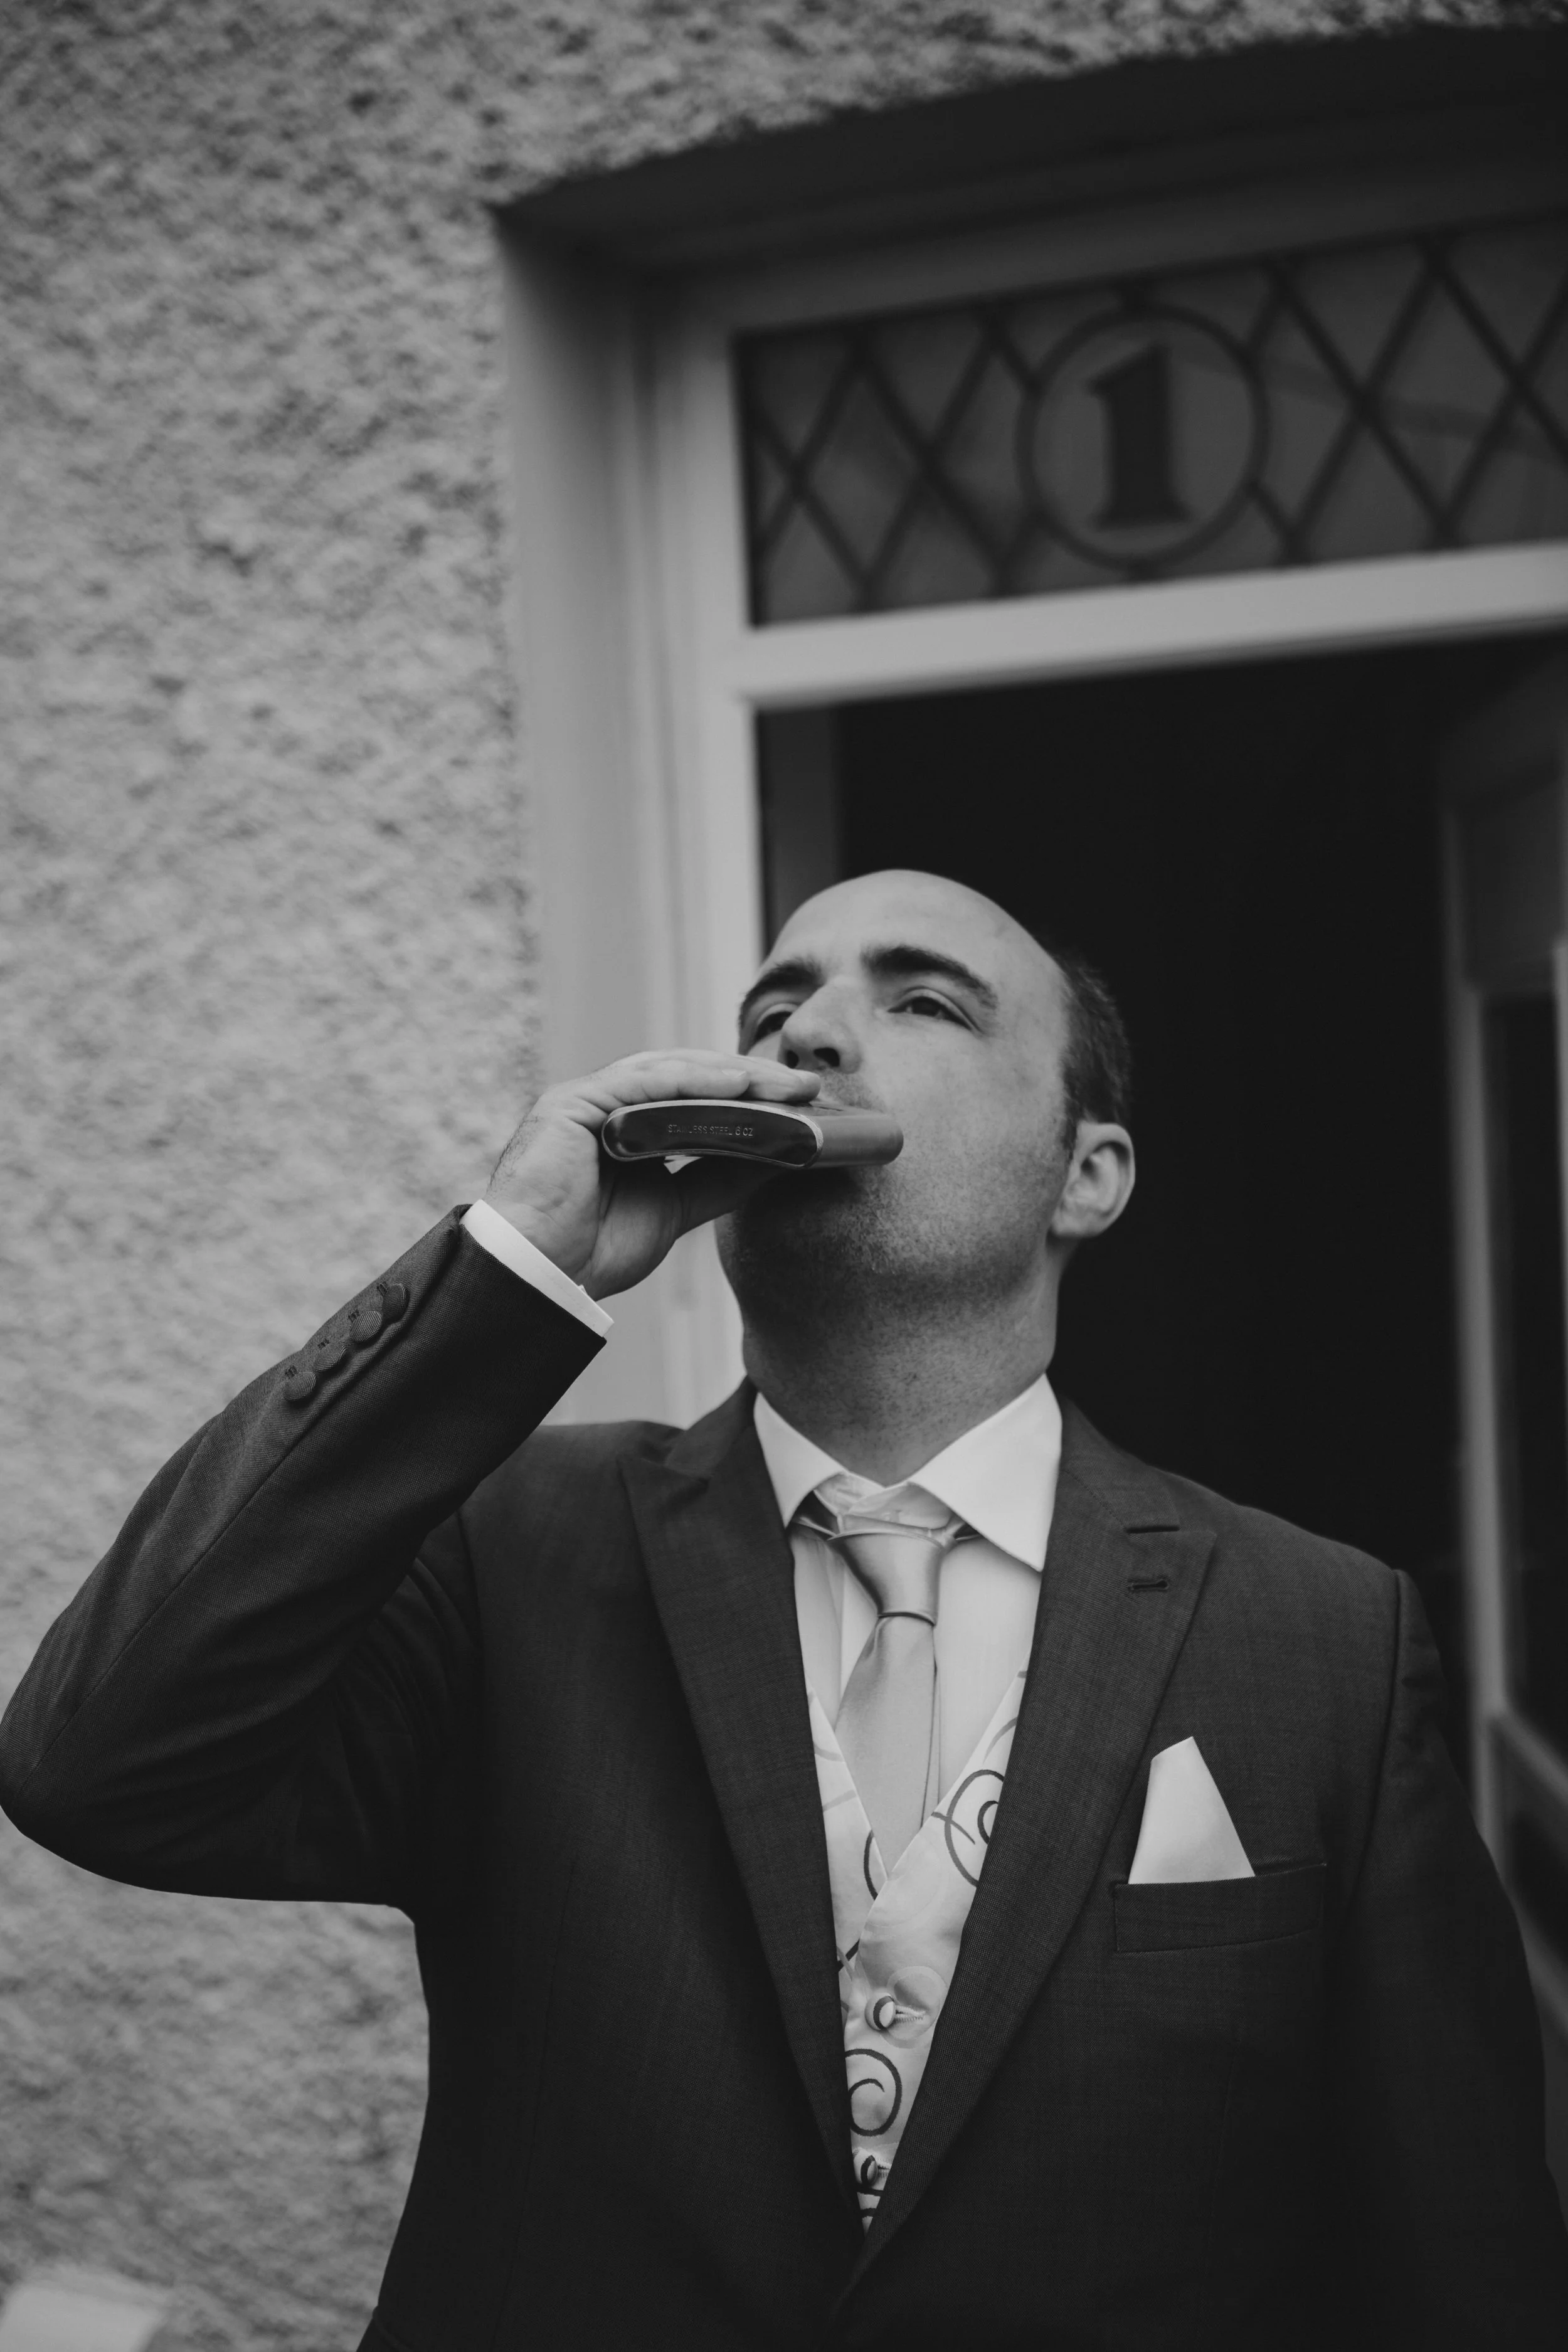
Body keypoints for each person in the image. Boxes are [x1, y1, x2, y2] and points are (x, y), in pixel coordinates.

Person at [2, 868, 1564, 2350]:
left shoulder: (1324, 1634)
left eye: (923, 1003)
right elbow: (99, 1766)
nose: (807, 1036)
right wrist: (509, 1271)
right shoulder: (510, 1544)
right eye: (774, 1012)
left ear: (1087, 1172)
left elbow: (1458, 2260)